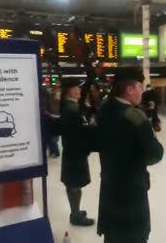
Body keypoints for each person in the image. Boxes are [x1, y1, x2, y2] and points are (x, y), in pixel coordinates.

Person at [96, 69, 164, 243]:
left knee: (113, 235)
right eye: (139, 87)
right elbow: (155, 154)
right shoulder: (135, 116)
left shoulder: (104, 109)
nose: (142, 91)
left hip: (110, 186)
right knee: (134, 236)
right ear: (129, 90)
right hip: (132, 190)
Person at [59, 78, 96, 226]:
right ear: (71, 90)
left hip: (72, 153)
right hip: (75, 154)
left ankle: (76, 211)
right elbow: (76, 134)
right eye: (77, 88)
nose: (79, 91)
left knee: (74, 185)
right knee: (74, 185)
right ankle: (75, 215)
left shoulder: (69, 106)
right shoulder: (71, 110)